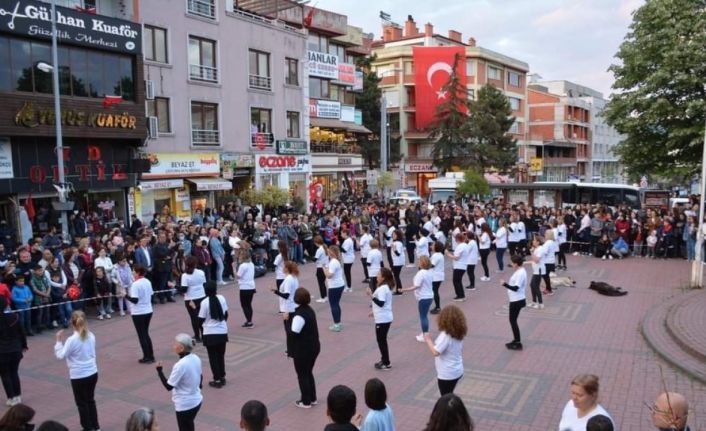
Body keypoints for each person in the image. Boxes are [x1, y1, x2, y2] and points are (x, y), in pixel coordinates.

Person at [54, 311, 100, 431]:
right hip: (92, 372)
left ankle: (88, 428)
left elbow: (60, 355)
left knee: (82, 403)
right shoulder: (91, 335)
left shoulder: (72, 340)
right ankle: (96, 426)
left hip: (78, 375)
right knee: (90, 400)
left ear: (73, 324)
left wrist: (58, 341)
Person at [156, 334, 203, 431]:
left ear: (181, 348)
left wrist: (159, 371)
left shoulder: (180, 365)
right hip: (197, 400)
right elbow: (200, 377)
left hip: (185, 405)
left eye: (175, 344)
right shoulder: (196, 357)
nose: (173, 346)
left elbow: (169, 386)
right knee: (189, 425)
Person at [423, 305, 467, 395]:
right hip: (457, 369)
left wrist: (428, 340)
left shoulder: (446, 335)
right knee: (449, 393)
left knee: (445, 397)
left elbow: (436, 352)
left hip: (447, 373)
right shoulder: (459, 331)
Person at [290, 288, 320, 408]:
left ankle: (306, 401)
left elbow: (294, 333)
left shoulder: (299, 315)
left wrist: (287, 321)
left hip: (304, 350)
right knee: (308, 372)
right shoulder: (310, 310)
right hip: (314, 347)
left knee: (302, 374)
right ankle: (313, 398)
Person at [198, 281, 228, 388]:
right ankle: (222, 376)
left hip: (210, 333)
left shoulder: (204, 302)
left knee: (213, 357)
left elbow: (200, 319)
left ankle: (217, 379)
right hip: (222, 331)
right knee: (221, 355)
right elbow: (226, 314)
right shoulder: (222, 298)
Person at [0, 296, 26, 407]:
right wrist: (24, 345)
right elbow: (21, 332)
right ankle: (18, 396)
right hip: (16, 349)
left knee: (5, 374)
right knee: (14, 372)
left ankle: (11, 398)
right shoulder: (15, 316)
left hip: (2, 352)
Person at [401, 255, 434, 343]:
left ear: (422, 263)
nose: (418, 262)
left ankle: (425, 335)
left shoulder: (421, 273)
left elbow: (416, 286)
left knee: (423, 317)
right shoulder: (430, 272)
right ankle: (425, 333)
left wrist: (404, 290)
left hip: (423, 297)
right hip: (429, 296)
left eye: (419, 261)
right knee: (424, 316)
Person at [366, 268, 393, 370]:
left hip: (383, 319)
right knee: (381, 340)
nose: (377, 276)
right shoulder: (385, 287)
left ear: (383, 277)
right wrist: (373, 312)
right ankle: (384, 360)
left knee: (381, 341)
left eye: (379, 274)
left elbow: (381, 303)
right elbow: (385, 303)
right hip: (384, 317)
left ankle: (386, 362)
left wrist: (370, 295)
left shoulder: (383, 289)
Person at [127, 264, 155, 364]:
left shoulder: (136, 284)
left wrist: (125, 296)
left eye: (133, 271)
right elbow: (151, 294)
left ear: (138, 272)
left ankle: (147, 356)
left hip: (139, 312)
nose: (132, 273)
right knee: (146, 333)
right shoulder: (147, 281)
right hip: (148, 310)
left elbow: (134, 300)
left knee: (142, 335)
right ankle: (150, 355)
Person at [501, 254, 527, 350]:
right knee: (513, 320)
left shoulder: (520, 273)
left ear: (516, 264)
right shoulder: (520, 270)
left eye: (512, 262)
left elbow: (516, 288)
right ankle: (516, 339)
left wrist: (504, 284)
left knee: (513, 321)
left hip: (517, 300)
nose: (511, 264)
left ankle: (518, 342)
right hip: (515, 299)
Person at [272, 261, 298, 358]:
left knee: (288, 330)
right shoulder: (294, 277)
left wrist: (275, 292)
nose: (282, 267)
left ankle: (291, 351)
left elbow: (286, 295)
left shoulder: (288, 279)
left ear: (287, 268)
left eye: (284, 266)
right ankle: (292, 349)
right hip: (292, 306)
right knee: (291, 329)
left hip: (288, 308)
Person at [180, 257, 207, 341]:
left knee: (194, 318)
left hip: (190, 299)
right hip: (202, 296)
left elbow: (184, 289)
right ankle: (204, 334)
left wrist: (176, 287)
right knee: (202, 316)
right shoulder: (201, 272)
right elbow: (204, 284)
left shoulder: (185, 275)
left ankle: (197, 335)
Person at [323, 245, 346, 332]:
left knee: (334, 305)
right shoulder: (336, 261)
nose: (327, 253)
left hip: (335, 286)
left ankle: (337, 324)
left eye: (328, 252)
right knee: (336, 304)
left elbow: (329, 275)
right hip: (339, 285)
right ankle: (338, 323)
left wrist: (324, 269)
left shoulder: (333, 262)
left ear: (331, 253)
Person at [446, 233, 468, 302]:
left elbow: (456, 257)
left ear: (457, 239)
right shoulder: (465, 245)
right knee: (458, 281)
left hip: (459, 266)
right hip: (462, 265)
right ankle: (461, 295)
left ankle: (460, 296)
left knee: (456, 281)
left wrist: (448, 254)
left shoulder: (460, 246)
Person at [237, 249, 256, 328]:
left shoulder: (243, 265)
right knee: (248, 304)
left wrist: (234, 267)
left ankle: (249, 321)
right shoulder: (251, 264)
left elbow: (238, 276)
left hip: (244, 287)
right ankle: (249, 320)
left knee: (244, 305)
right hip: (251, 286)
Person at [528, 235, 545, 309]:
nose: (533, 241)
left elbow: (537, 260)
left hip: (539, 270)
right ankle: (534, 302)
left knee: (535, 286)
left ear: (538, 242)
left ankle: (541, 304)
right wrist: (524, 262)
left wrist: (531, 252)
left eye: (534, 240)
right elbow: (533, 260)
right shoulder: (536, 248)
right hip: (536, 270)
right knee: (532, 285)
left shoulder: (540, 249)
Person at [429, 241, 445, 314]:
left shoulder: (436, 255)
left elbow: (432, 265)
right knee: (435, 291)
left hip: (436, 276)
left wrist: (424, 265)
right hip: (439, 275)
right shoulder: (440, 254)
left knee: (435, 291)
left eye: (433, 245)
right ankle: (437, 306)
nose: (431, 246)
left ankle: (438, 307)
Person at [314, 236, 329, 303]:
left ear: (316, 242)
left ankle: (323, 297)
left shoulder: (319, 249)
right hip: (326, 267)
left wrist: (307, 254)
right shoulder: (325, 247)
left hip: (320, 268)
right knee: (323, 283)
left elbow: (315, 259)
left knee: (321, 284)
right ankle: (325, 296)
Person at [390, 230, 405, 295]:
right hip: (397, 261)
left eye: (394, 235)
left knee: (396, 276)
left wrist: (394, 248)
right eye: (392, 234)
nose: (393, 236)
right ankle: (399, 289)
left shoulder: (398, 243)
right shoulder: (396, 242)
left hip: (398, 262)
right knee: (396, 276)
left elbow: (398, 253)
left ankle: (399, 290)